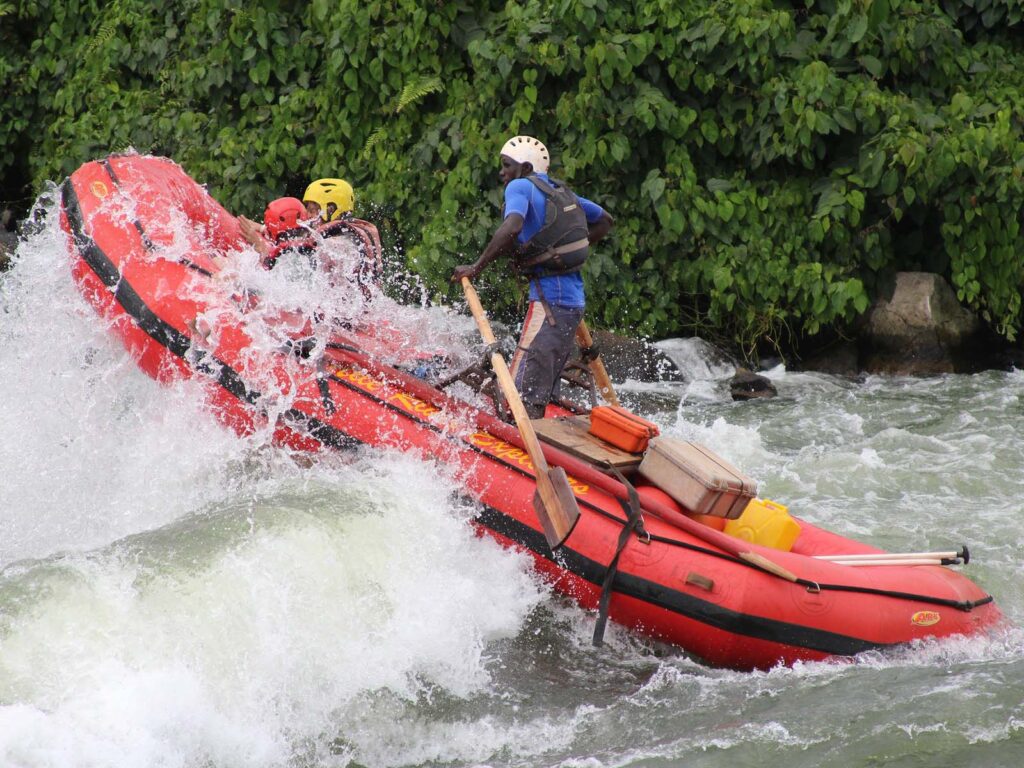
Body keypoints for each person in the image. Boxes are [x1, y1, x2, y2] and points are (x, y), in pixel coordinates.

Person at [451, 135, 613, 418]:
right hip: (572, 305)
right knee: (539, 390)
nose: (502, 173)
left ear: (525, 168)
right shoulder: (561, 192)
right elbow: (605, 221)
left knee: (518, 397)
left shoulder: (520, 186)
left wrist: (476, 267)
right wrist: (556, 254)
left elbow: (512, 226)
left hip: (549, 305)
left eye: (506, 166)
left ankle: (521, 440)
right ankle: (538, 428)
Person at [302, 178, 383, 297]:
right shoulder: (355, 234)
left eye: (312, 210)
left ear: (331, 209)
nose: (308, 216)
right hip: (369, 307)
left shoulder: (333, 246)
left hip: (347, 310)